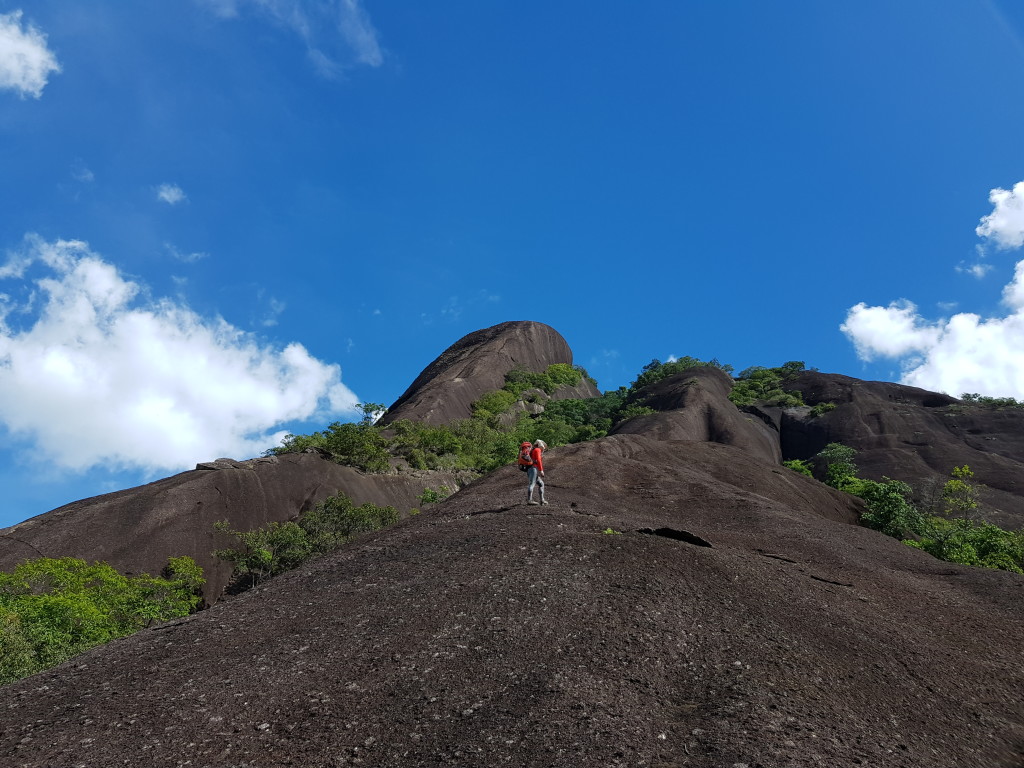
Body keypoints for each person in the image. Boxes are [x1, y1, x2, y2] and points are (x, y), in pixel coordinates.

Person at [526, 439, 547, 505]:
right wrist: (541, 470)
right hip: (533, 469)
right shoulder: (537, 450)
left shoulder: (533, 450)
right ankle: (529, 500)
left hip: (530, 469)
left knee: (541, 484)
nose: (543, 448)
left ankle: (542, 500)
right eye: (543, 446)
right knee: (532, 484)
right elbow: (538, 460)